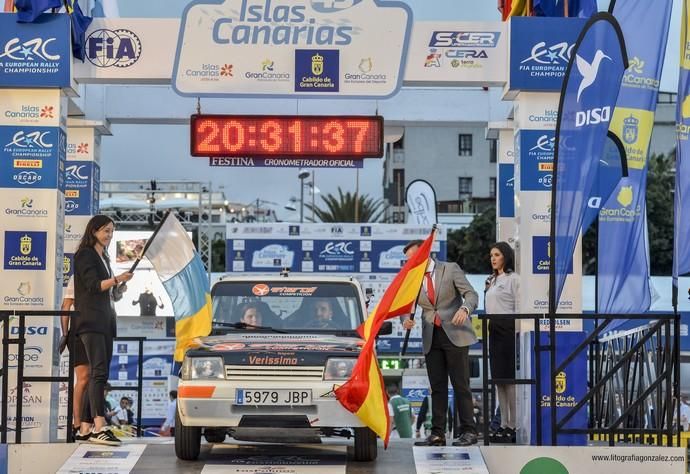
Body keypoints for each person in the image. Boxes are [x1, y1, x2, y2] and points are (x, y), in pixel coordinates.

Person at [402, 239, 479, 447]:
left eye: (412, 258)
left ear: (424, 254)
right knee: (437, 387)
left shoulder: (450, 268)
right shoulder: (413, 278)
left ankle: (469, 431)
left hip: (455, 332)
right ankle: (437, 434)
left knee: (461, 384)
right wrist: (405, 320)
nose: (409, 263)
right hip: (430, 335)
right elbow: (405, 305)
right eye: (407, 260)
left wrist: (465, 309)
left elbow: (471, 294)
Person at [73, 215, 133, 446]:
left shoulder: (105, 257)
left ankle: (86, 427)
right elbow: (92, 286)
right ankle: (100, 426)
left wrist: (119, 287)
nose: (109, 235)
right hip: (91, 322)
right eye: (105, 231)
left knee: (97, 374)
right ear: (94, 230)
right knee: (98, 373)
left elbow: (108, 293)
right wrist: (116, 279)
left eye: (111, 231)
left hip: (105, 321)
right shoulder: (85, 254)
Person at [485, 242, 520, 443]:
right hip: (494, 330)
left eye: (497, 254)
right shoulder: (492, 280)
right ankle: (504, 424)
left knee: (510, 381)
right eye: (491, 255)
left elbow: (519, 306)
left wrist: (515, 331)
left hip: (508, 329)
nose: (493, 258)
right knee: (499, 381)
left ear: (505, 256)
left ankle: (514, 425)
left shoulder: (514, 279)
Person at [59, 275, 91, 442]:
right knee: (84, 378)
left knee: (95, 378)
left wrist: (119, 289)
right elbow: (66, 305)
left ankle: (88, 422)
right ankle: (77, 423)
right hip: (79, 330)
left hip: (100, 328)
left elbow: (114, 297)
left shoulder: (106, 270)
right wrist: (65, 334)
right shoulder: (78, 275)